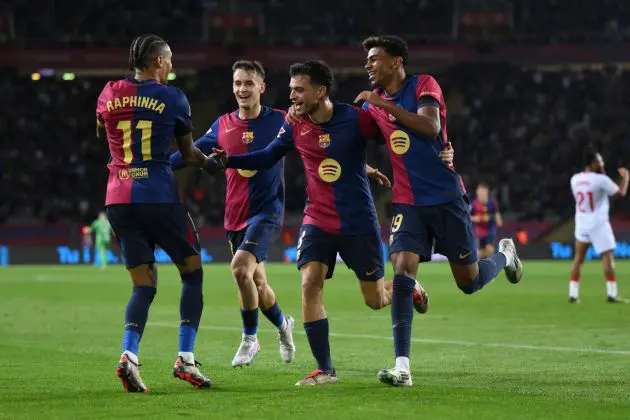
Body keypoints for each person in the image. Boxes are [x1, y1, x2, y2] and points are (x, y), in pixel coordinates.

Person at [212, 60, 455, 386]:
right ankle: (325, 369)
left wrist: (442, 152)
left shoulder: (357, 118)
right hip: (317, 219)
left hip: (358, 222)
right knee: (310, 280)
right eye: (291, 89)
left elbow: (399, 136)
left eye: (299, 89)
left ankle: (406, 288)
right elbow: (267, 155)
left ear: (321, 90)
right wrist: (231, 161)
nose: (293, 96)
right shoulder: (294, 124)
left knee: (374, 301)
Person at [355, 35, 523, 387]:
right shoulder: (372, 106)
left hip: (446, 198)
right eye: (367, 59)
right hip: (407, 202)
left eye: (374, 58)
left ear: (396, 61)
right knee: (401, 270)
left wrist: (382, 106)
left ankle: (505, 256)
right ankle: (402, 367)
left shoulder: (423, 85)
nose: (368, 64)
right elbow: (349, 135)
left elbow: (430, 127)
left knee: (469, 282)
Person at [97, 34, 218, 392]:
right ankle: (186, 359)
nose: (171, 66)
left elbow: (102, 132)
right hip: (159, 196)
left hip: (117, 197)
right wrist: (210, 164)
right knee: (192, 273)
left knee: (143, 285)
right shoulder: (173, 97)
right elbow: (190, 153)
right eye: (169, 60)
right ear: (157, 62)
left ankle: (129, 357)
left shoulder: (109, 92)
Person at [170, 60, 295, 368]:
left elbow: (314, 147)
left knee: (240, 269)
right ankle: (283, 326)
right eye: (238, 83)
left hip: (267, 212)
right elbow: (192, 152)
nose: (242, 89)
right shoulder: (223, 124)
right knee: (257, 283)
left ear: (262, 87)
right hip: (235, 215)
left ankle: (249, 340)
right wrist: (157, 167)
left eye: (249, 83)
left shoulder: (281, 121)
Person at [569, 146, 628, 303]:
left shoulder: (575, 179)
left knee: (578, 259)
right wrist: (626, 178)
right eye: (600, 161)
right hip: (599, 223)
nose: (602, 164)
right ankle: (612, 293)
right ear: (593, 163)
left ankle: (573, 294)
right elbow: (620, 194)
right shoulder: (602, 180)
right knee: (608, 257)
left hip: (582, 222)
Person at [471, 183, 503, 258]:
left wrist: (499, 220)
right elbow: (468, 217)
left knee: (489, 249)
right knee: (481, 253)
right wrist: (475, 218)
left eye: (483, 190)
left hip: (490, 229)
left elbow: (496, 212)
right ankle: (484, 264)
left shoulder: (492, 202)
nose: (481, 192)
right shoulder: (474, 204)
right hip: (480, 230)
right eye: (479, 190)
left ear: (486, 191)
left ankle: (490, 265)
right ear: (477, 192)